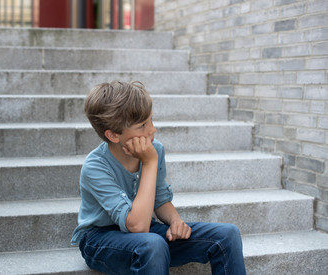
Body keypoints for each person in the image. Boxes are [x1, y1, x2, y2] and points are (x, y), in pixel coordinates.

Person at [71, 80, 246, 275]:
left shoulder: (155, 149)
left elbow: (160, 199)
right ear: (113, 135)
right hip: (100, 239)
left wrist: (175, 221)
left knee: (227, 235)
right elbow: (137, 226)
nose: (152, 129)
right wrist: (149, 162)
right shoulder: (95, 166)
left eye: (151, 120)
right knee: (152, 244)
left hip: (146, 234)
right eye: (142, 125)